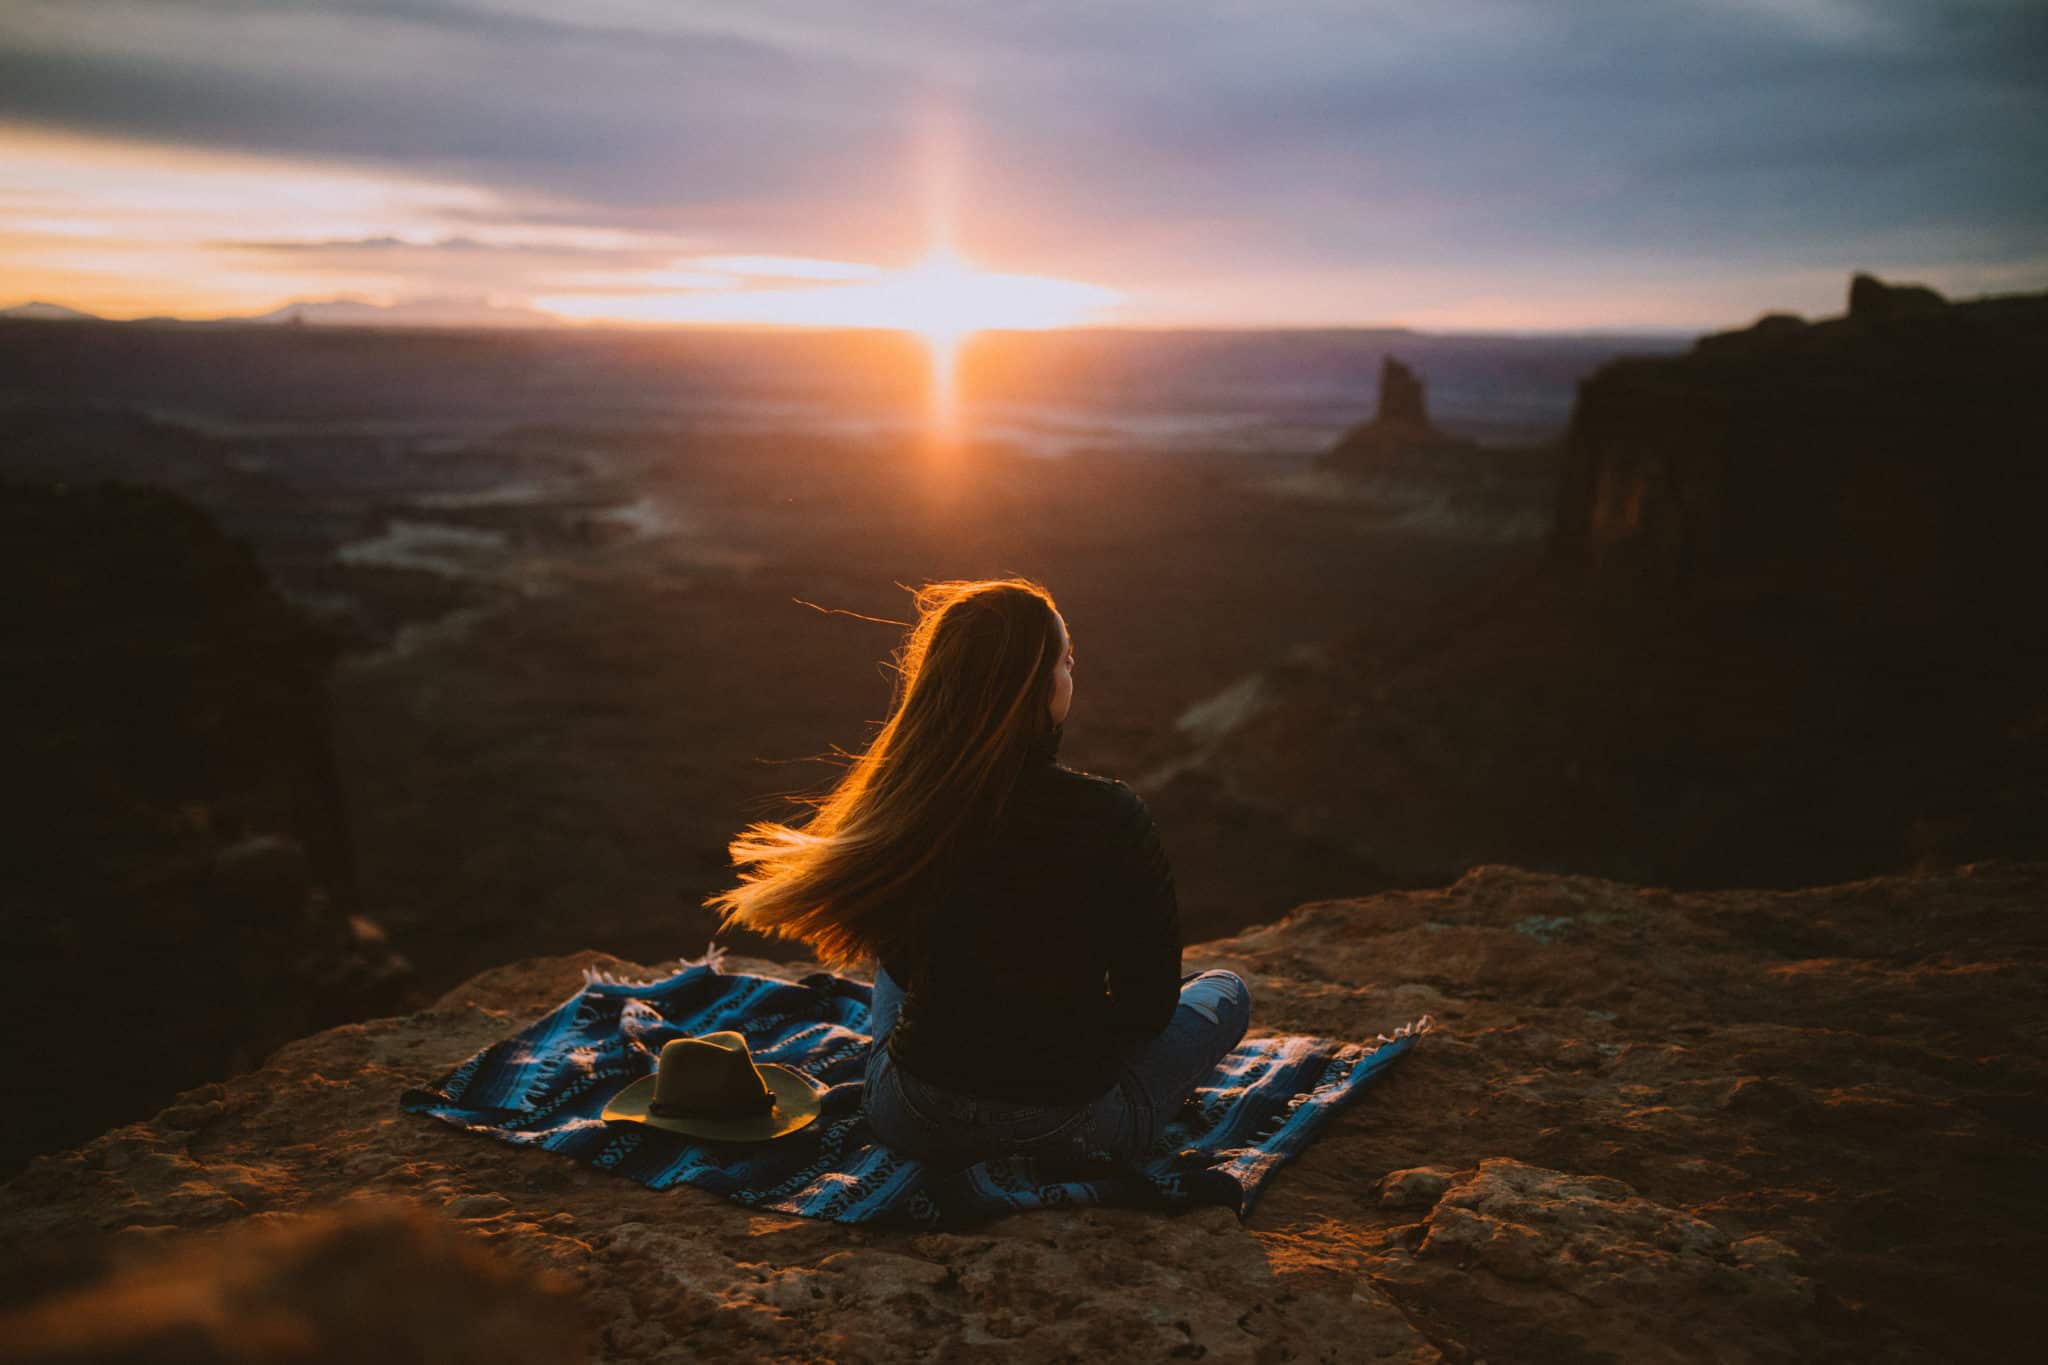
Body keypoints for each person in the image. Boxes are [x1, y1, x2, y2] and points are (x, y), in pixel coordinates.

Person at [705, 577, 1251, 1168]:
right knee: (1225, 991)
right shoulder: (1111, 814)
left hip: (912, 1120)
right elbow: (1147, 1007)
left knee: (889, 981)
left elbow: (902, 964)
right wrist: (1059, 1039)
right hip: (1069, 1130)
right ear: (1035, 686)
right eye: (1065, 662)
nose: (1073, 674)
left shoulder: (915, 801)